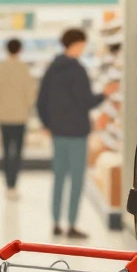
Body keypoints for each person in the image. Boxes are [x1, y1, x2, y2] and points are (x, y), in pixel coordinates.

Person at [36, 28, 116, 239]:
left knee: (59, 177)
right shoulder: (78, 70)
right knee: (77, 179)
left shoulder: (52, 68)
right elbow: (86, 101)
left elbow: (41, 100)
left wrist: (46, 124)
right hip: (77, 132)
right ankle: (71, 224)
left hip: (58, 131)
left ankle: (55, 222)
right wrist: (105, 94)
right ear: (77, 44)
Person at [0, 38, 37, 199]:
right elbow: (31, 95)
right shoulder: (24, 69)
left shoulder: (1, 69)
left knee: (6, 151)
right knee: (18, 152)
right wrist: (30, 110)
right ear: (20, 50)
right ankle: (14, 184)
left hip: (4, 117)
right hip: (20, 117)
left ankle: (8, 184)